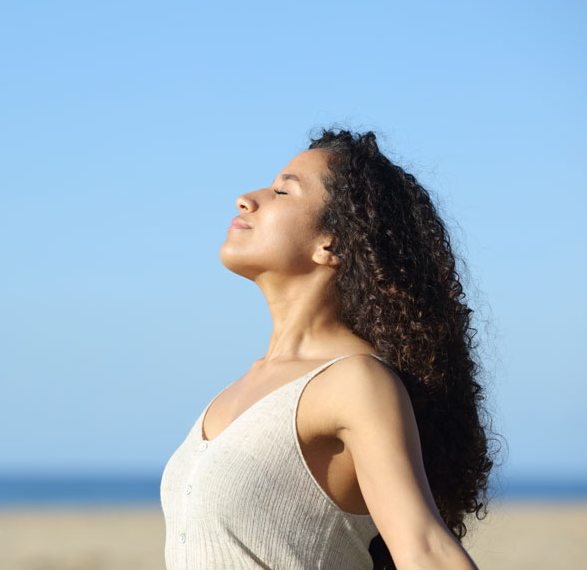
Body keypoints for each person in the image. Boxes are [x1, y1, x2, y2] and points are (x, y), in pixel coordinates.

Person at [159, 127, 498, 570]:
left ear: (332, 243)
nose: (246, 198)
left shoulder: (354, 381)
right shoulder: (240, 387)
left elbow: (425, 550)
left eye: (283, 190)